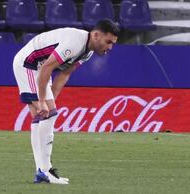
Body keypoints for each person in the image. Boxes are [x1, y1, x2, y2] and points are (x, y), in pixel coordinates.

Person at [13, 19, 119, 184]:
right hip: (29, 64)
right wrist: (43, 101)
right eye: (108, 42)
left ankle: (41, 172)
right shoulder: (75, 43)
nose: (110, 47)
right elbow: (47, 68)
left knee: (42, 117)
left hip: (39, 68)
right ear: (97, 35)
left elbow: (65, 74)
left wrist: (50, 101)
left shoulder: (87, 52)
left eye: (113, 43)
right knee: (48, 114)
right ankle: (45, 170)